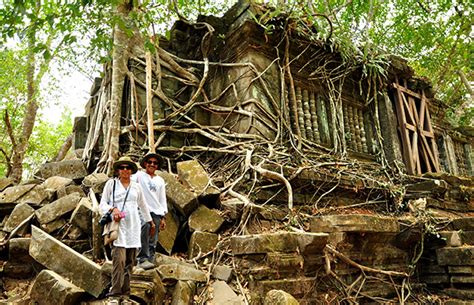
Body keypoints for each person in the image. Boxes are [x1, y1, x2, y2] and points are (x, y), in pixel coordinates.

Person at [99, 156, 156, 305]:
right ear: (118, 170)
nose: (125, 170)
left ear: (131, 170)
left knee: (130, 262)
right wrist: (113, 208)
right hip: (118, 228)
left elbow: (143, 206)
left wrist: (151, 222)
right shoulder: (111, 185)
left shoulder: (136, 187)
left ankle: (125, 295)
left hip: (134, 228)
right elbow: (102, 205)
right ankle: (114, 295)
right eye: (122, 167)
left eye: (128, 167)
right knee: (119, 260)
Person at [133, 152, 167, 270]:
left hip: (157, 211)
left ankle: (150, 262)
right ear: (145, 164)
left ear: (157, 166)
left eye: (155, 163)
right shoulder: (138, 175)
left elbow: (162, 199)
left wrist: (163, 217)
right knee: (144, 228)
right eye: (150, 162)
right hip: (142, 210)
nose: (152, 164)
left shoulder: (160, 180)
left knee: (153, 238)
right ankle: (141, 259)